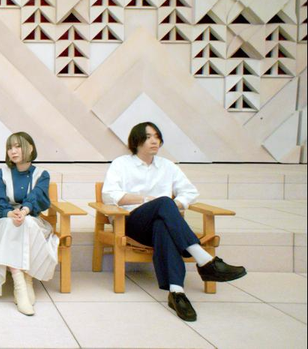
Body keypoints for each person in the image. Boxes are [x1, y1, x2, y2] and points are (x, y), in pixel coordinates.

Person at [102, 122, 247, 321]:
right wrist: (147, 200)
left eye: (157, 137)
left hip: (160, 224)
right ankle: (205, 260)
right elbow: (110, 195)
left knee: (163, 225)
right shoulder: (122, 164)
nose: (154, 141)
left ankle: (177, 292)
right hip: (132, 222)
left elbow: (190, 192)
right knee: (163, 202)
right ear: (136, 141)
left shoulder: (167, 166)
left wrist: (172, 207)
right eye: (148, 137)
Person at [0, 132, 57, 316]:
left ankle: (27, 279)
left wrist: (23, 211)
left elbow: (37, 196)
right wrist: (10, 213)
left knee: (26, 223)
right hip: (3, 220)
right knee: (12, 224)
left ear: (30, 148)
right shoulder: (1, 173)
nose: (13, 151)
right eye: (10, 147)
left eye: (18, 146)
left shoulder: (41, 174)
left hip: (31, 219)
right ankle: (20, 284)